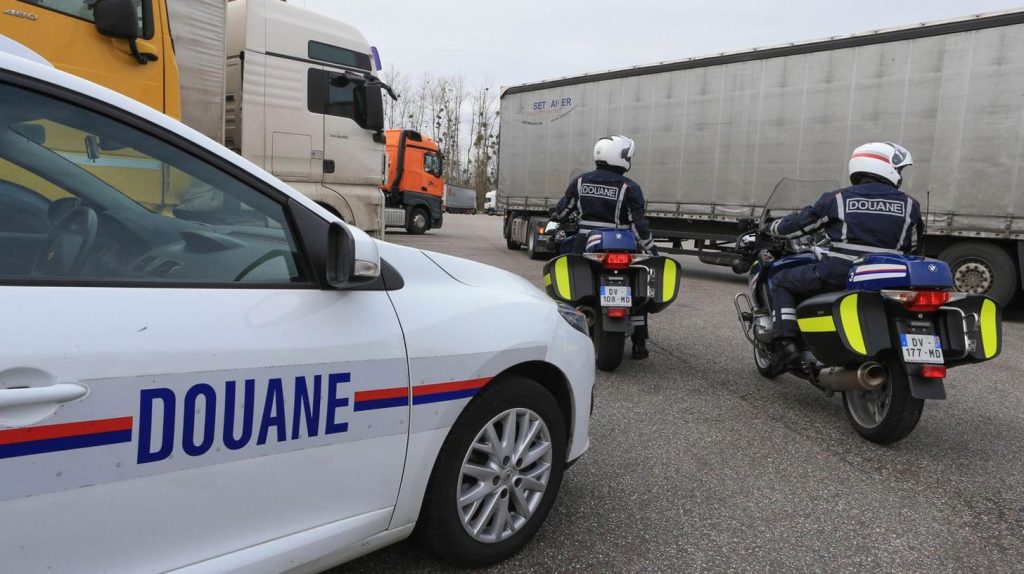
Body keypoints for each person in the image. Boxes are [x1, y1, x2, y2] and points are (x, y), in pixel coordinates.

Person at [764, 142, 923, 369]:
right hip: (889, 276)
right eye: (898, 169)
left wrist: (771, 228)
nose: (899, 175)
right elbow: (914, 244)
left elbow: (799, 225)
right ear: (885, 167)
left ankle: (786, 345)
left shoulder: (838, 198)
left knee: (781, 281)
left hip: (840, 273)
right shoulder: (910, 204)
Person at [551, 135, 657, 359]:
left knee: (572, 288)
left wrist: (558, 218)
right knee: (638, 289)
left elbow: (561, 212)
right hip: (623, 247)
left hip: (585, 246)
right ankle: (639, 342)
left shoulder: (580, 182)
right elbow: (640, 226)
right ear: (621, 157)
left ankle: (570, 328)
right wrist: (651, 250)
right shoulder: (630, 187)